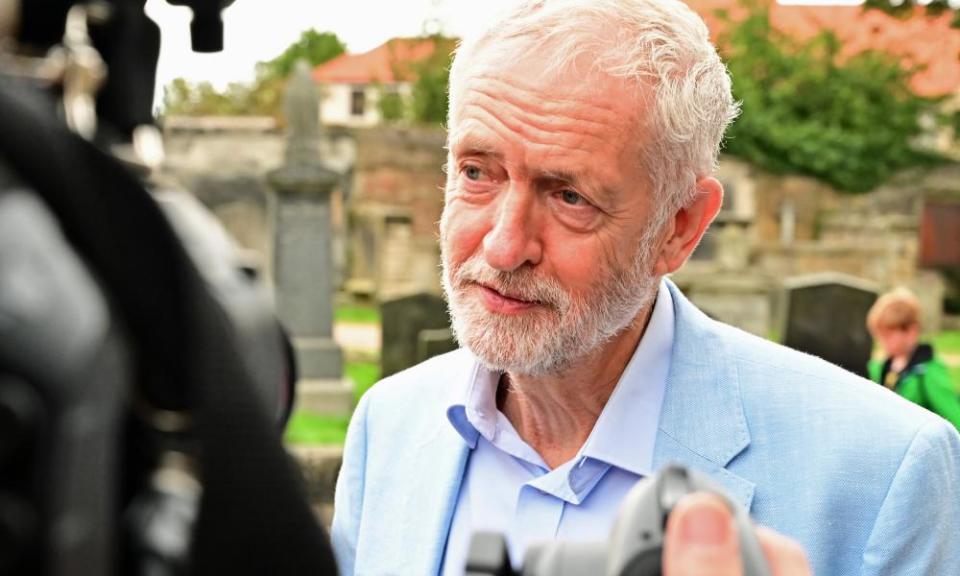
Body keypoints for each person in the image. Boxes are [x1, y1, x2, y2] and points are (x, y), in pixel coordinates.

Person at [331, 1, 960, 574]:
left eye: (570, 196)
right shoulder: (386, 425)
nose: (501, 245)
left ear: (679, 227)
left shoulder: (879, 475)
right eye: (475, 172)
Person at [866, 287, 960, 430]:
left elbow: (954, 419)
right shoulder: (882, 368)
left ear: (912, 331)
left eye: (889, 336)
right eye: (880, 336)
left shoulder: (928, 372)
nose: (883, 342)